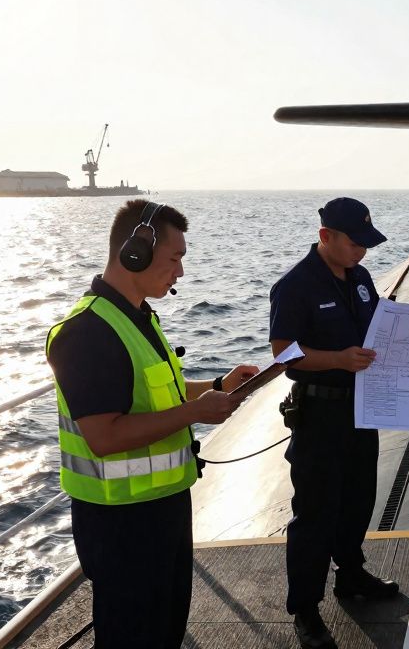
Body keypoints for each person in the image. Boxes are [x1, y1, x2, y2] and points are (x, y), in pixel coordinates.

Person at [46, 200, 259, 649]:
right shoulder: (87, 333)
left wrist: (218, 385)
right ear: (135, 252)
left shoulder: (136, 317)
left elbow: (165, 393)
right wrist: (194, 414)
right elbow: (103, 437)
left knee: (163, 633)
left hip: (163, 508)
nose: (180, 271)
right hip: (121, 524)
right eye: (175, 258)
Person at [269, 197, 400, 649]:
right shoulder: (296, 285)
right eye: (355, 243)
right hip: (320, 414)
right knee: (315, 512)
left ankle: (351, 574)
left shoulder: (361, 278)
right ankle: (305, 608)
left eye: (367, 244)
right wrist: (338, 361)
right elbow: (282, 352)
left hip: (363, 410)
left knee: (359, 497)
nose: (362, 252)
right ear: (326, 236)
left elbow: (378, 327)